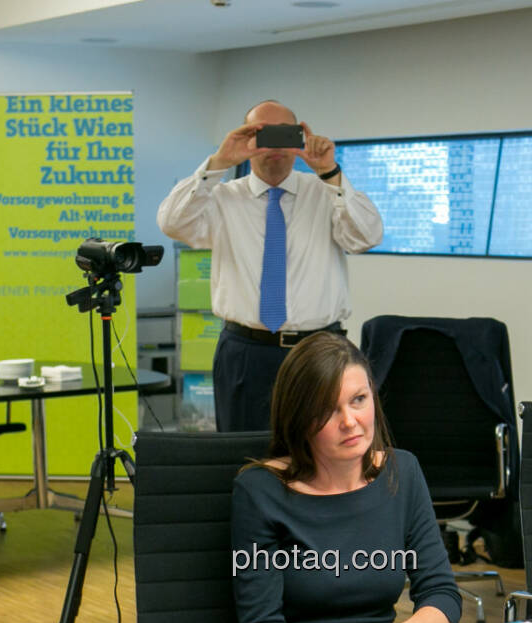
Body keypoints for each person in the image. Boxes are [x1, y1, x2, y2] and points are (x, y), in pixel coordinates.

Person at [230, 332, 460, 623]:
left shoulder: (402, 472)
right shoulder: (259, 491)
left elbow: (442, 594)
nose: (350, 422)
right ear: (298, 419)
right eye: (327, 410)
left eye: (358, 400)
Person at [157, 99, 384, 431]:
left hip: (319, 351)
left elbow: (366, 236)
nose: (275, 146)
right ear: (247, 140)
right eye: (263, 134)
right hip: (246, 353)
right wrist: (219, 162)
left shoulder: (326, 193)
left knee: (322, 456)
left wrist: (330, 173)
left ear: (300, 139)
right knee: (245, 458)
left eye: (285, 134)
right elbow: (172, 222)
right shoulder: (222, 198)